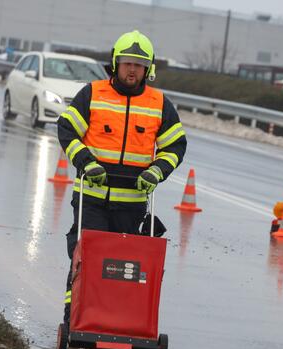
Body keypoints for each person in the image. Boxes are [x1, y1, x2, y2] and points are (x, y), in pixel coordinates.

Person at [57, 30, 187, 327]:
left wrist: (156, 171)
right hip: (91, 199)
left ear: (148, 69)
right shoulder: (92, 93)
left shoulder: (159, 104)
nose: (132, 69)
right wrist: (86, 162)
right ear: (115, 63)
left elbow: (175, 146)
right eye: (127, 62)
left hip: (130, 205)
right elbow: (67, 129)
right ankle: (74, 320)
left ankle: (114, 322)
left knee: (122, 268)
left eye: (139, 64)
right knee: (86, 261)